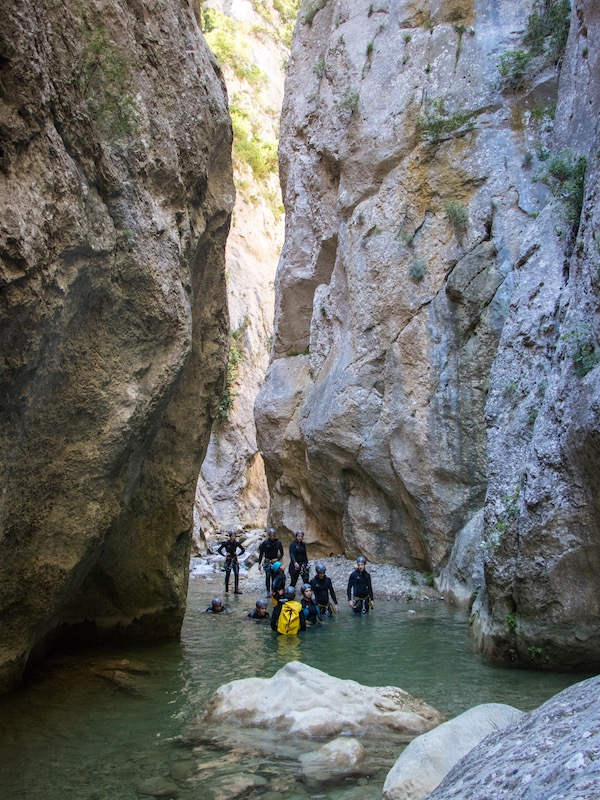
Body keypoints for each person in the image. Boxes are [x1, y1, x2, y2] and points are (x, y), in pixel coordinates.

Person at [217, 530, 245, 594]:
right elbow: (219, 550)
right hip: (228, 560)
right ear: (230, 537)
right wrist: (224, 555)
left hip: (235, 560)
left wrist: (238, 554)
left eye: (234, 536)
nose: (233, 537)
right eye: (232, 536)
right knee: (228, 574)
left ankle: (236, 589)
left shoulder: (236, 543)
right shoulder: (226, 543)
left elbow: (243, 550)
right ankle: (226, 590)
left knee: (237, 573)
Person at [257, 528, 284, 595]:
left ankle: (274, 590)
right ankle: (268, 591)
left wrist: (277, 559)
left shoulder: (278, 543)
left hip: (275, 562)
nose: (272, 537)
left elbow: (282, 553)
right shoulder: (265, 543)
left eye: (273, 536)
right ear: (269, 535)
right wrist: (259, 563)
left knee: (274, 576)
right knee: (268, 576)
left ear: (275, 535)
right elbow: (261, 553)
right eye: (271, 536)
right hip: (267, 561)